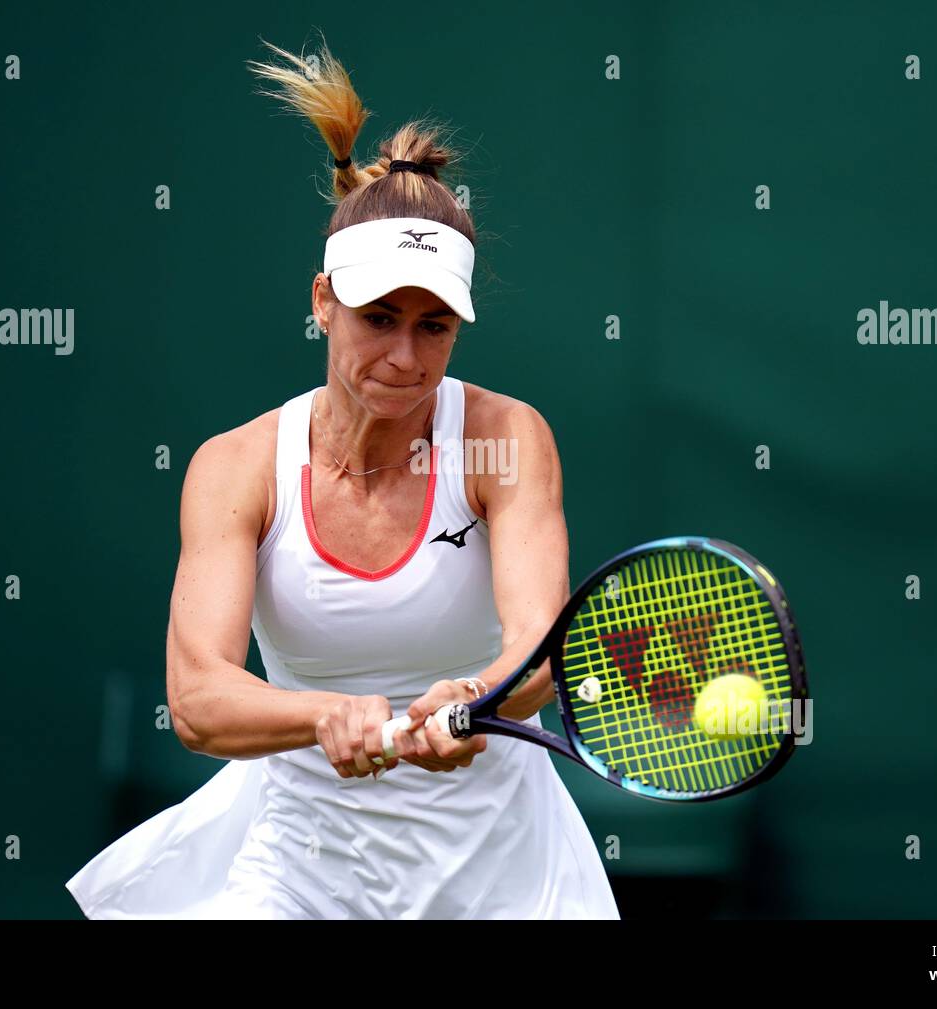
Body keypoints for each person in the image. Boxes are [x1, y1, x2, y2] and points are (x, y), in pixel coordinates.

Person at [65, 37, 619, 920]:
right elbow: (199, 699)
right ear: (323, 300)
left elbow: (538, 638)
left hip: (509, 874)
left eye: (435, 326)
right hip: (302, 869)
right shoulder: (238, 466)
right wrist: (325, 713)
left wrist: (476, 696)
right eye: (379, 316)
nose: (405, 356)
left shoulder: (502, 438)